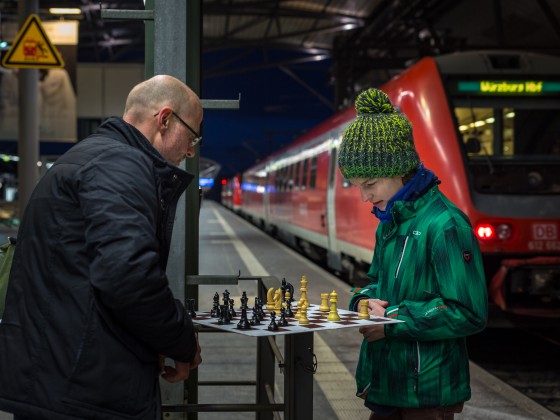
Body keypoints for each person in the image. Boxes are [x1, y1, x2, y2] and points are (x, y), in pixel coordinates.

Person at [0, 75, 203, 420]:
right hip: (83, 392)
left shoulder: (87, 157)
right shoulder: (120, 165)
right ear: (165, 119)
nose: (190, 151)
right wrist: (183, 342)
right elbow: (128, 276)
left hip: (61, 378)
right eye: (192, 135)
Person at [337, 88, 488, 420]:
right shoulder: (390, 222)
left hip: (426, 394)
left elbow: (468, 312)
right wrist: (362, 304)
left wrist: (391, 322)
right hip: (389, 385)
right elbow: (374, 283)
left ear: (399, 170)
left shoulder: (446, 225)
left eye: (370, 183)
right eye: (357, 185)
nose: (364, 197)